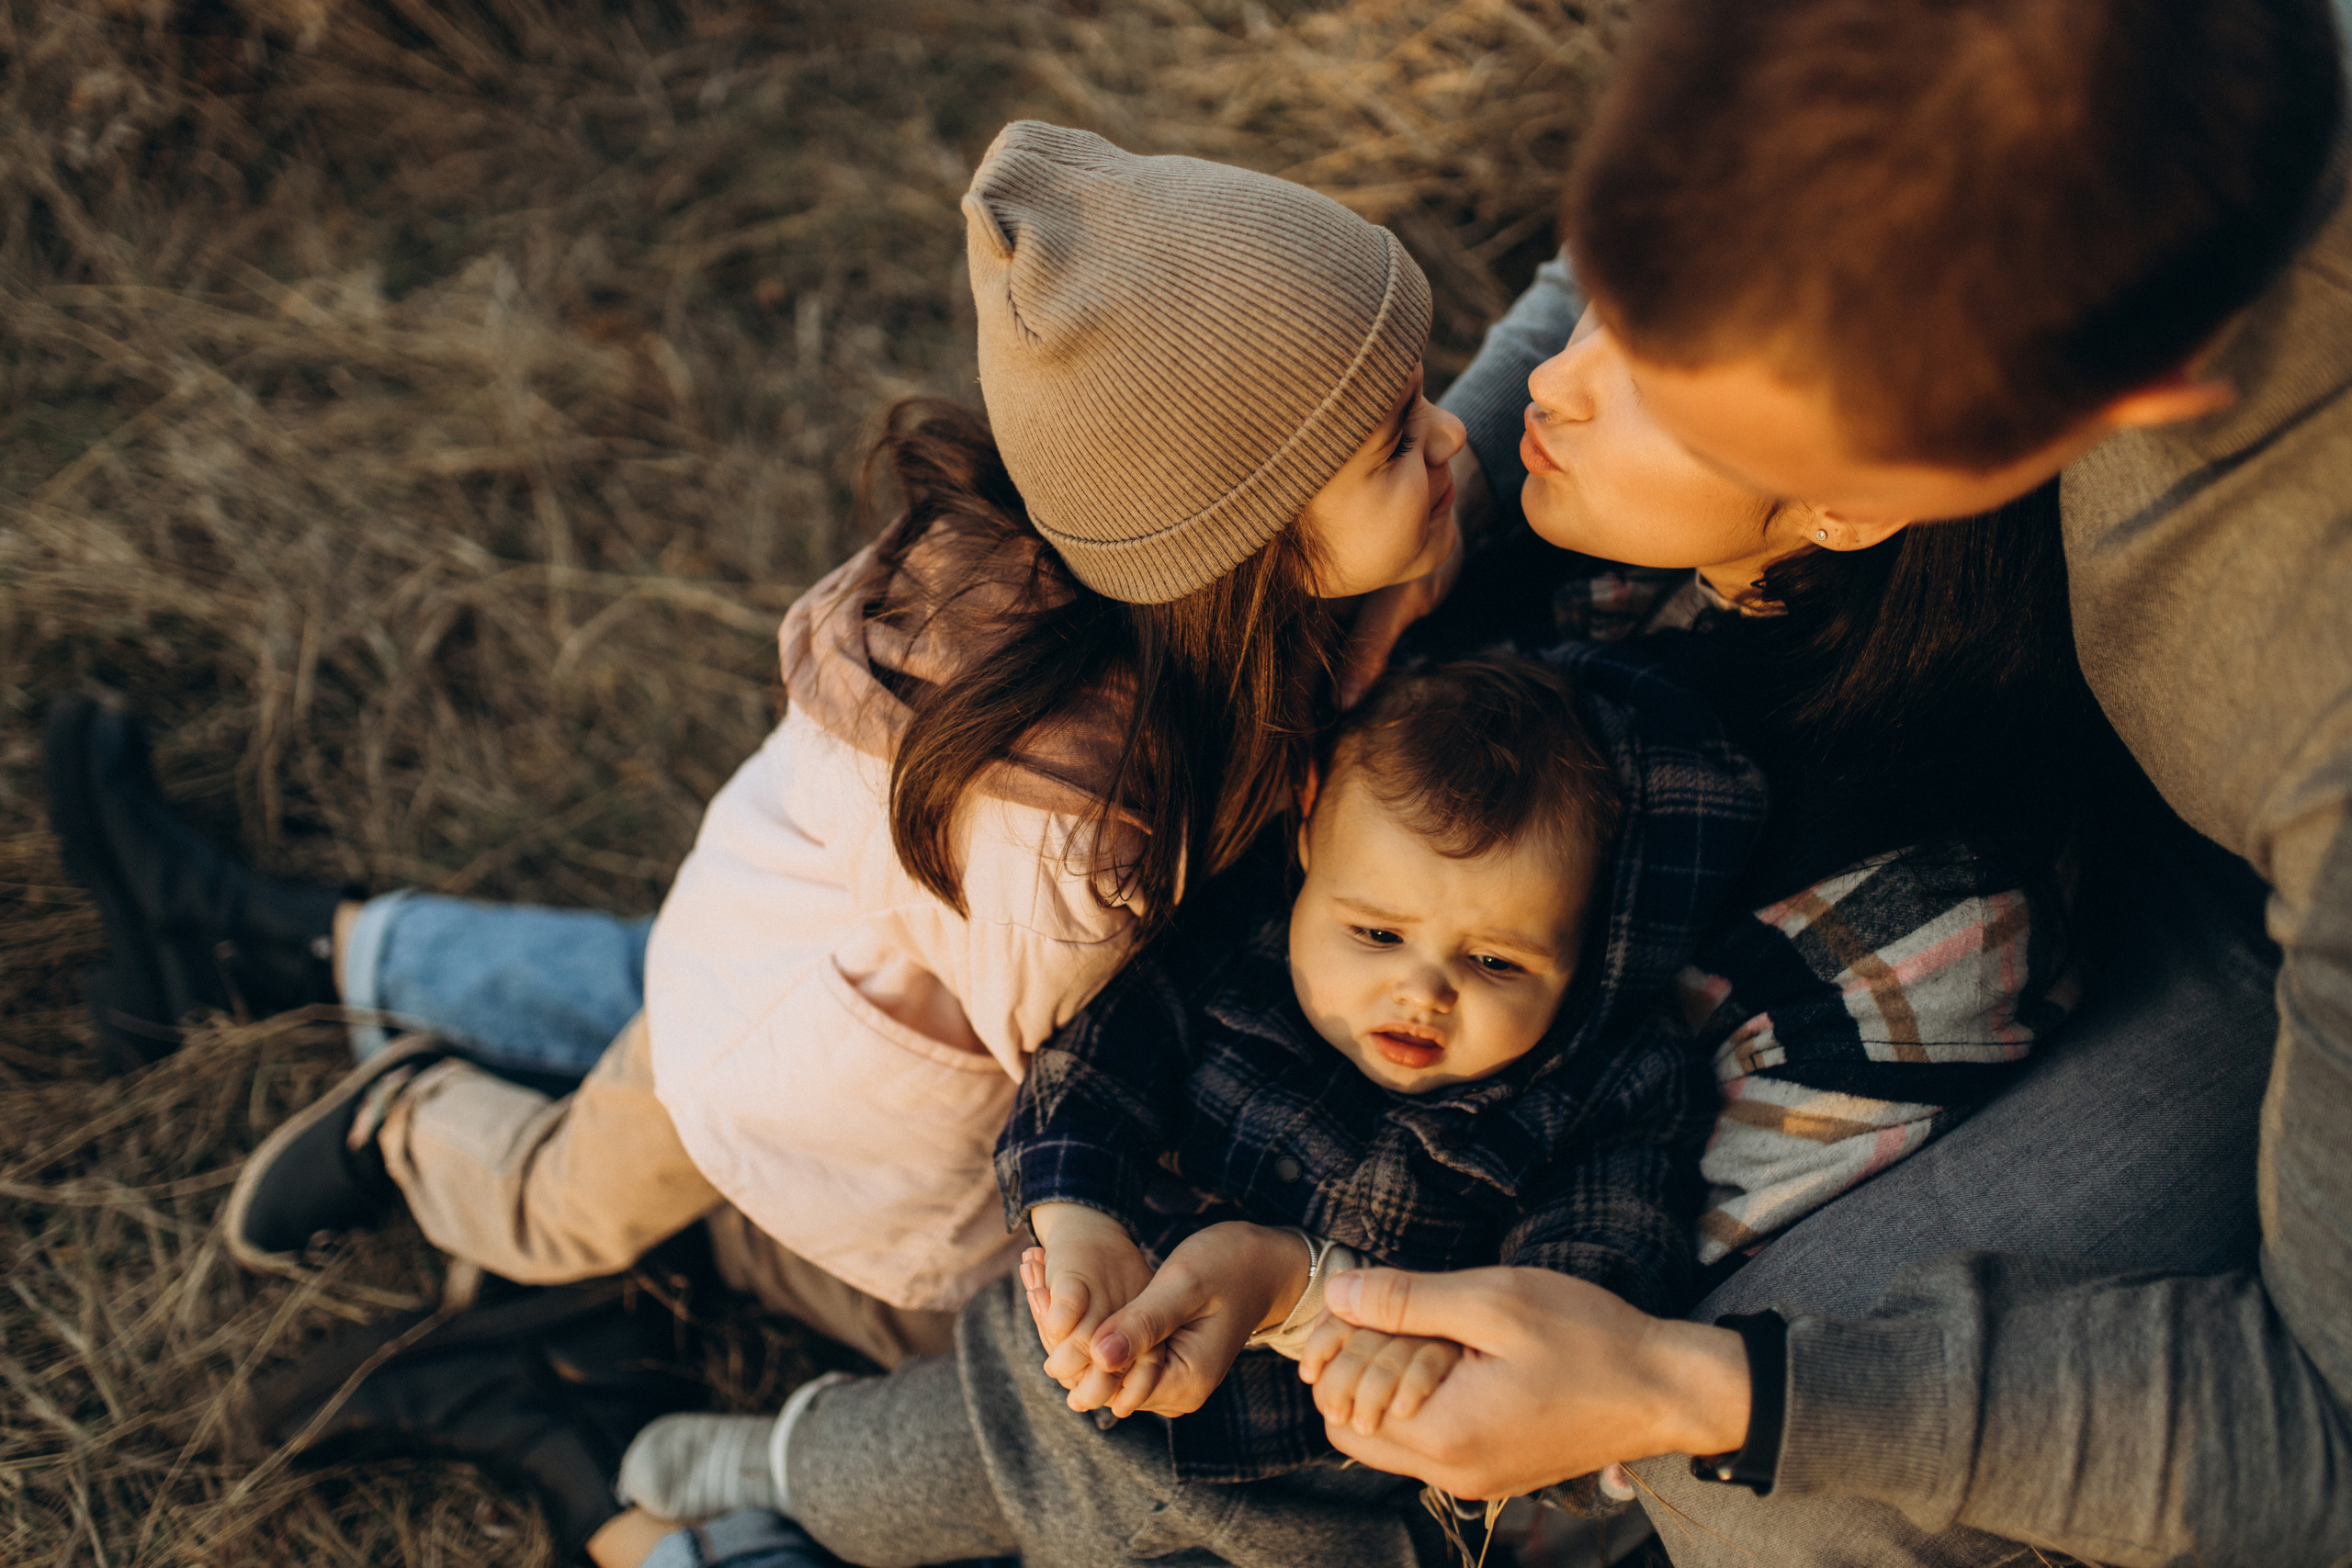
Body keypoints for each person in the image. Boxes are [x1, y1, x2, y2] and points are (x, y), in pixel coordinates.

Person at [1306, 0, 2352, 1563]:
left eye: (1680, 387)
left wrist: (1699, 1387)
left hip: (2249, 931)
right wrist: (1380, 569)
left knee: (1782, 1509)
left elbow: (2321, 1442)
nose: (1572, 370)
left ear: (2112, 417)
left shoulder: (2317, 700)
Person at [595, 644, 1770, 1568]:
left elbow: (1599, 1273)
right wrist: (1078, 1218)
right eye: (1375, 932)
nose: (1423, 989)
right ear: (1309, 837)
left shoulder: (1612, 1084)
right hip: (1073, 1383)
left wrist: (1427, 1353)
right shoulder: (1236, 942)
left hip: (1321, 1506)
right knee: (879, 1484)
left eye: (1502, 964)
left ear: (1591, 954)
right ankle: (786, 1467)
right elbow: (1094, 1066)